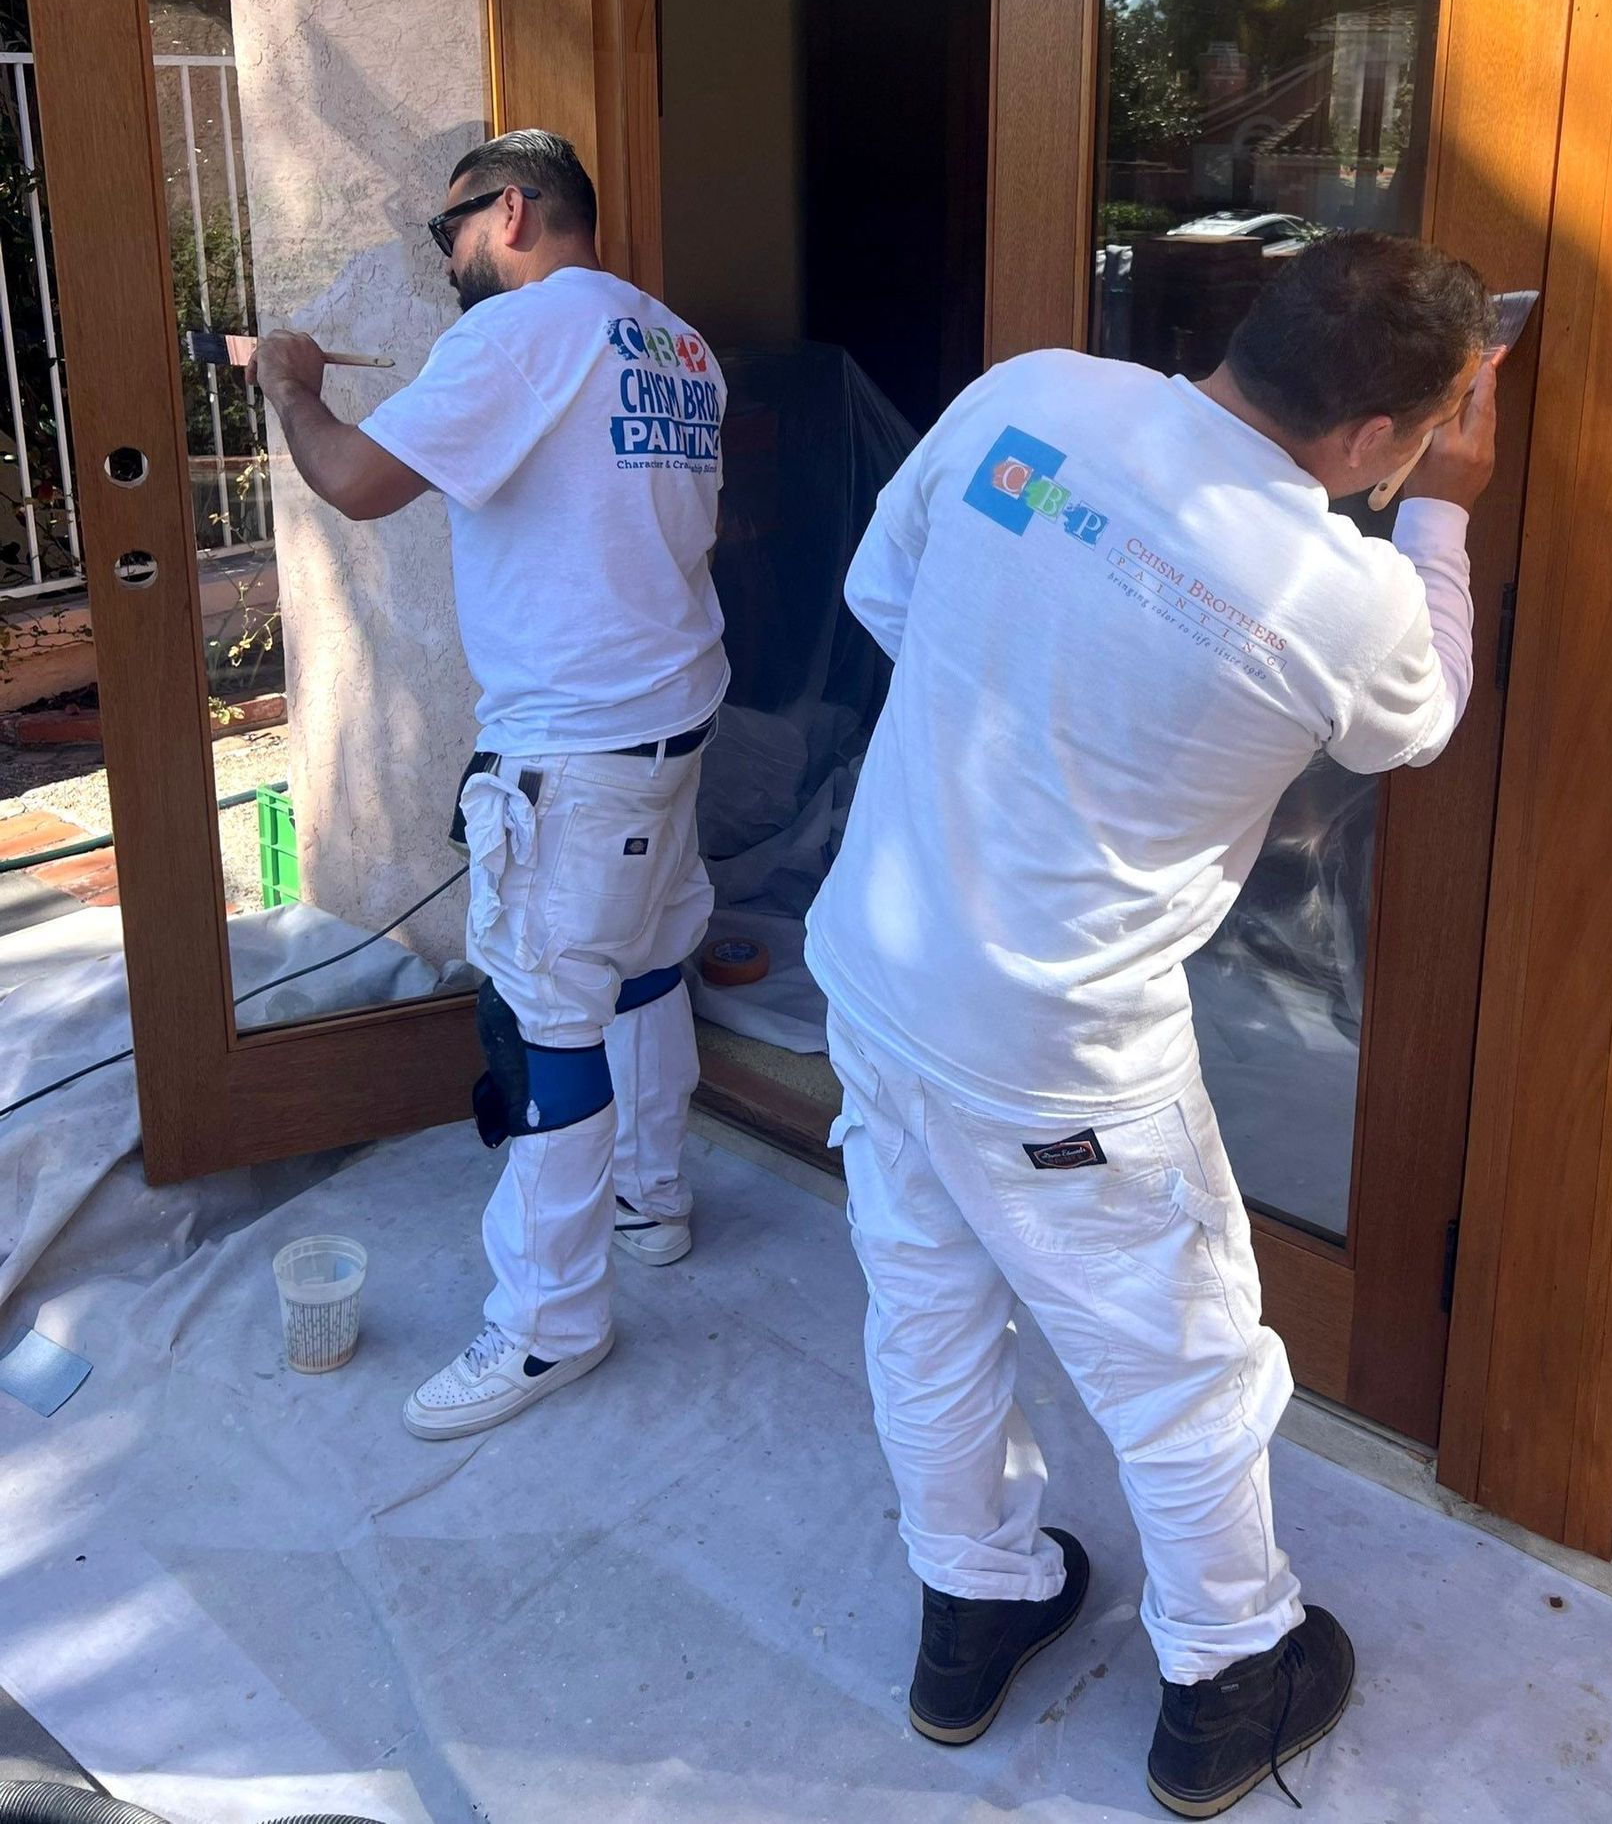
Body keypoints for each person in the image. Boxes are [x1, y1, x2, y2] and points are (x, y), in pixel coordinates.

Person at [805, 231, 1499, 1818]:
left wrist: (1048, 680)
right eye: (1424, 435)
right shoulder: (1345, 593)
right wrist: (1449, 508)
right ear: (1382, 440)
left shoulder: (1032, 397)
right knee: (1181, 1368)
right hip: (1061, 1053)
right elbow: (1424, 718)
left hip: (877, 968)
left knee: (927, 1301)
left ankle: (971, 1606)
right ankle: (1228, 1683)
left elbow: (887, 590)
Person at [251, 129, 727, 1443]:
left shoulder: (518, 336)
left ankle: (549, 1323)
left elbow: (352, 481)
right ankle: (652, 1197)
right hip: (669, 725)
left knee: (547, 1022)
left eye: (448, 233)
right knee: (636, 968)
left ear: (509, 210)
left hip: (578, 750)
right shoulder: (673, 342)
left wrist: (290, 385)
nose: (445, 260)